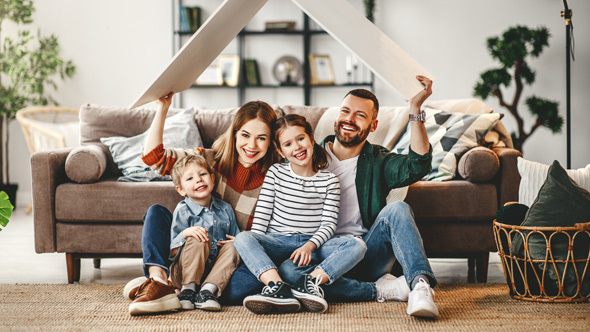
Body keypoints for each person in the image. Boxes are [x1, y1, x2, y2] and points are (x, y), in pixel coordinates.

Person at [279, 76, 440, 318]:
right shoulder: (308, 156)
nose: (349, 119)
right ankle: (381, 290)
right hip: (321, 254)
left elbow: (418, 165)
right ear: (337, 116)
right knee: (289, 272)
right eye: (345, 111)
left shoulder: (379, 160)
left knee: (397, 210)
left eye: (360, 116)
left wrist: (415, 109)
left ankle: (419, 286)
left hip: (366, 254)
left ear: (373, 126)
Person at [126, 92, 281, 315]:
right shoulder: (208, 161)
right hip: (190, 255)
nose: (252, 145)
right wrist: (162, 109)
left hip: (229, 260)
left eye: (262, 138)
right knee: (156, 213)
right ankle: (158, 281)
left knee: (246, 287)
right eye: (245, 135)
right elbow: (154, 158)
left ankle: (196, 290)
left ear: (271, 141)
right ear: (235, 134)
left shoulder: (276, 178)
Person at [234, 114, 366, 314]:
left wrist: (309, 246)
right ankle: (278, 287)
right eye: (288, 144)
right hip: (277, 242)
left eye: (301, 139)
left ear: (311, 139)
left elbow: (329, 225)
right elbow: (261, 218)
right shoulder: (275, 173)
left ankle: (310, 281)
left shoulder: (329, 181)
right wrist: (254, 245)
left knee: (357, 245)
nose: (296, 147)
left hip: (312, 247)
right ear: (280, 151)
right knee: (243, 239)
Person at [167, 154, 240, 312]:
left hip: (214, 272)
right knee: (199, 236)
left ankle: (207, 292)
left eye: (202, 174)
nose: (198, 180)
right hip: (184, 271)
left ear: (212, 180)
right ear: (180, 190)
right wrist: (186, 233)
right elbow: (172, 253)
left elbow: (236, 236)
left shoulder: (225, 209)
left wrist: (235, 243)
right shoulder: (183, 210)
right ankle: (188, 291)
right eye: (190, 178)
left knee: (237, 244)